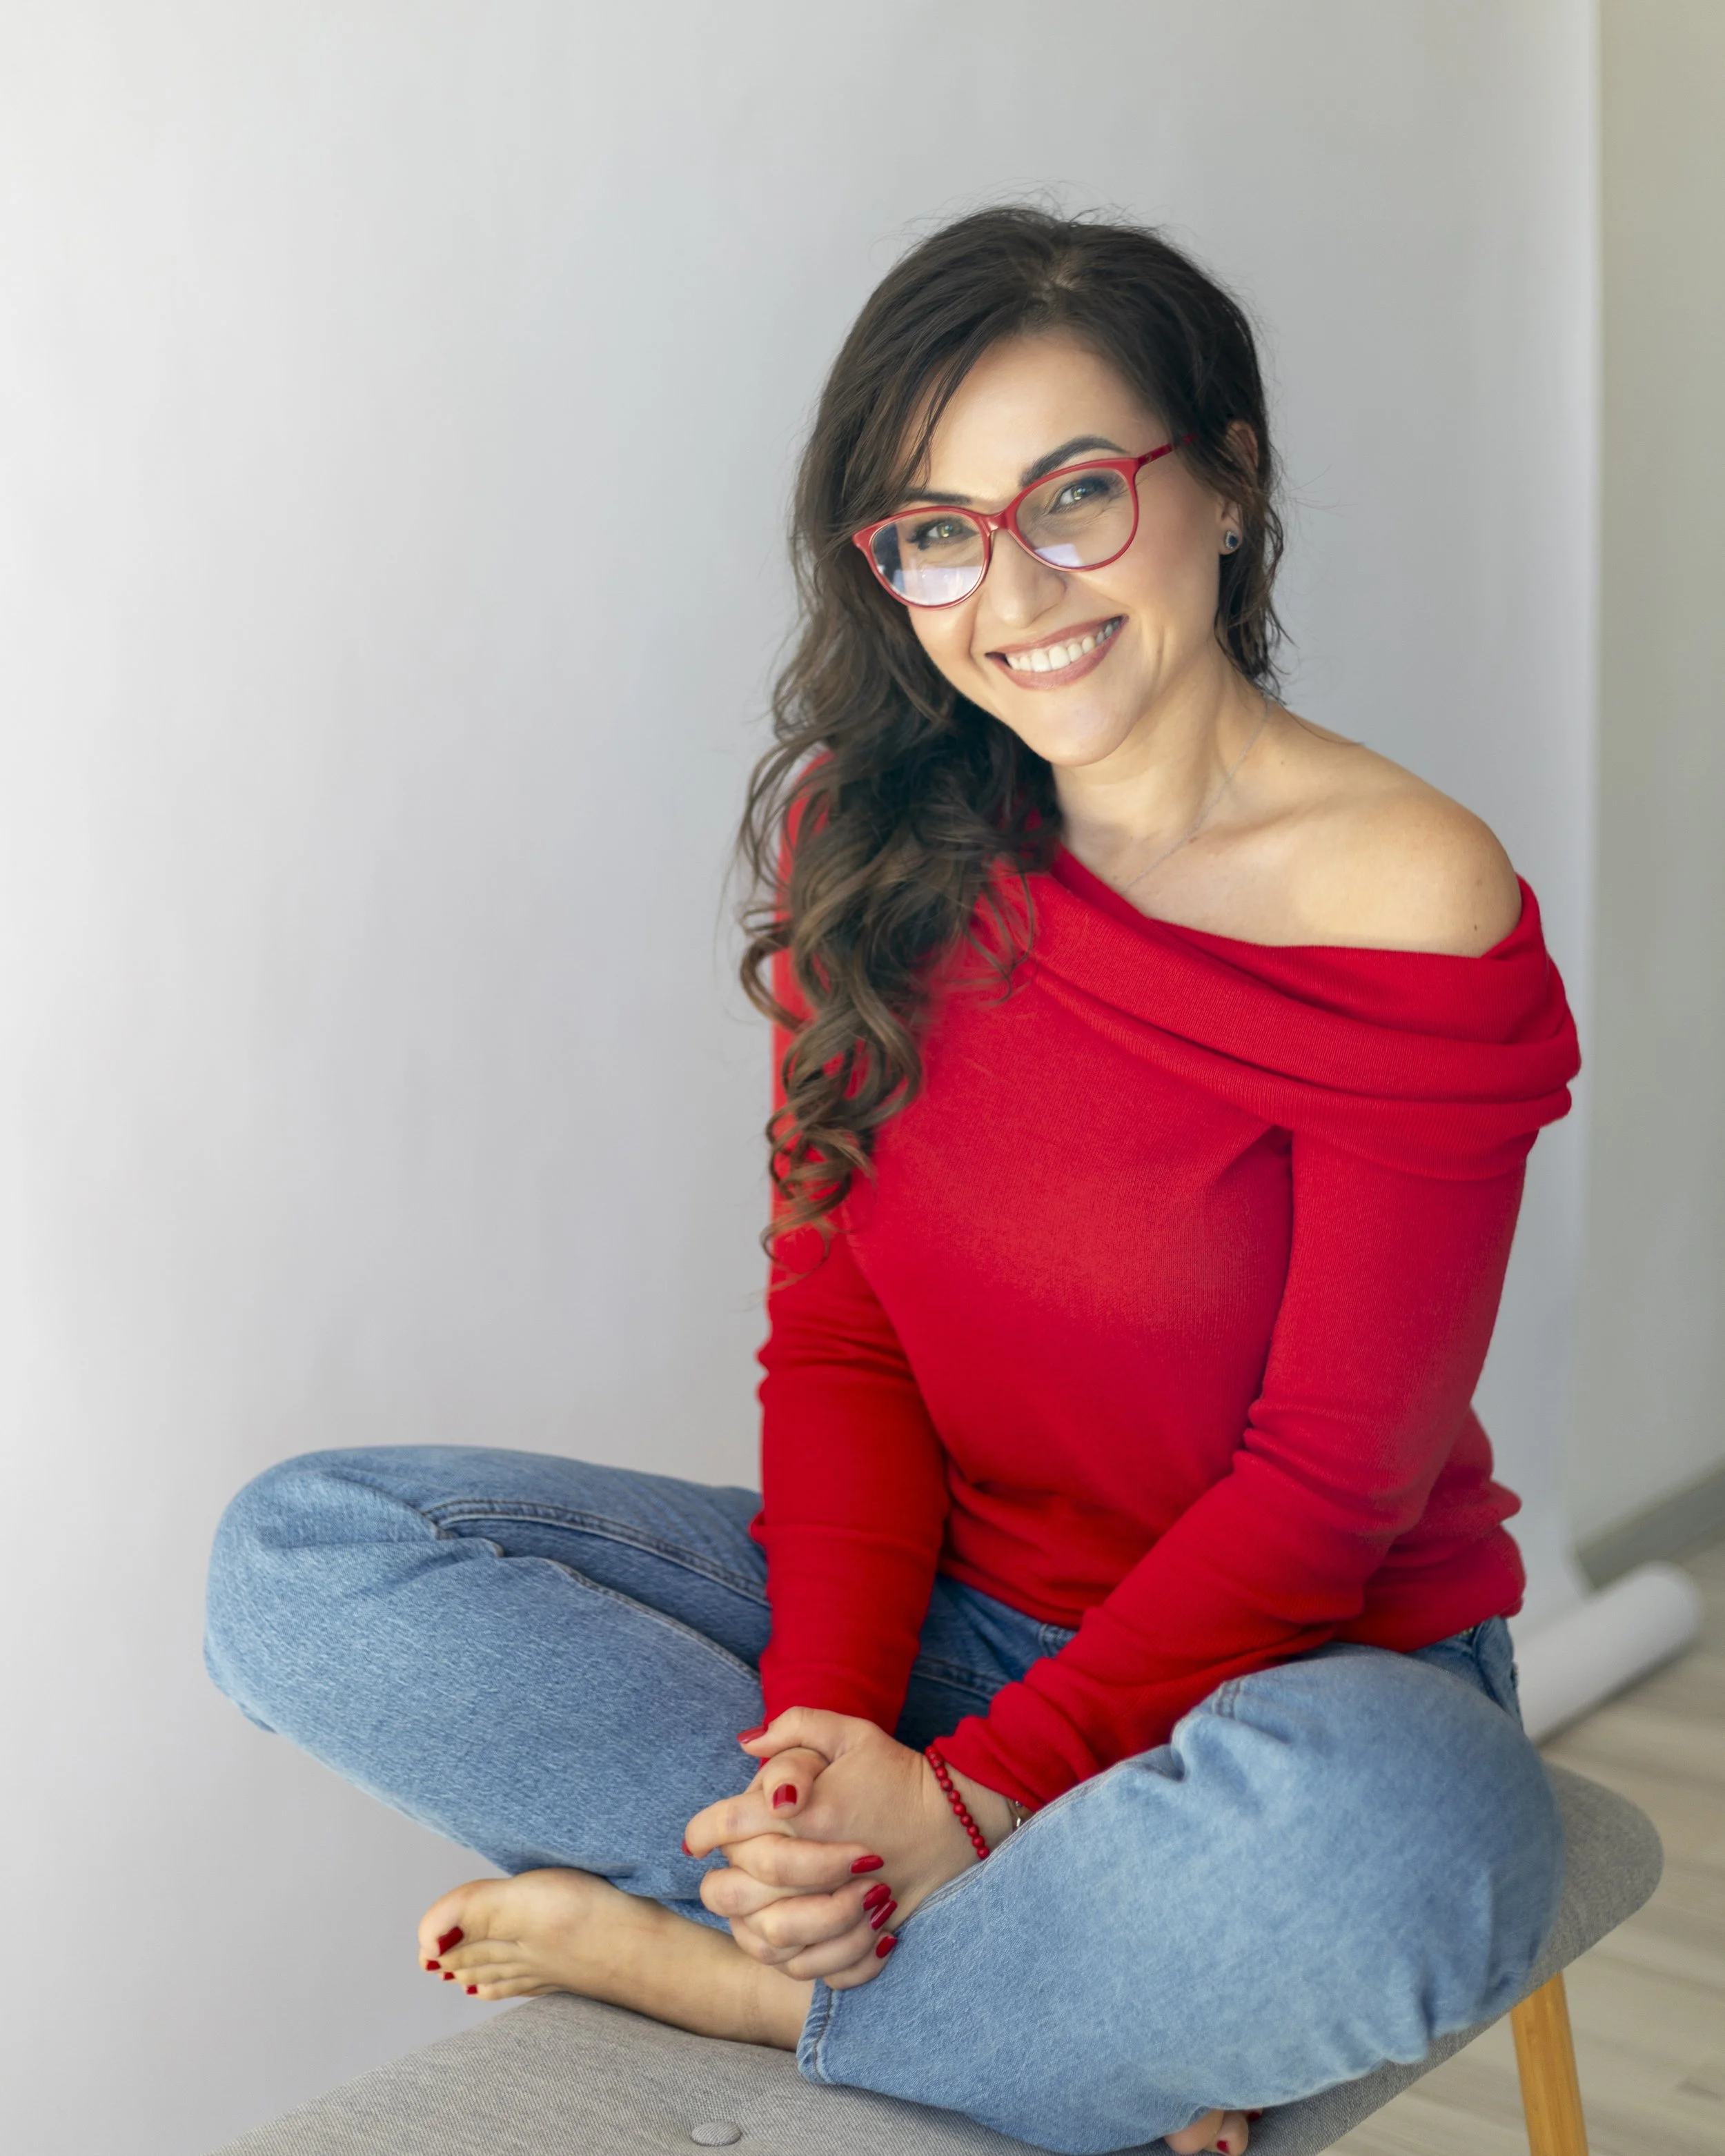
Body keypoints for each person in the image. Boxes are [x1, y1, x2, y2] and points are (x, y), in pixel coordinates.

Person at [204, 205, 1579, 2156]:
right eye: (934, 530)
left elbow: (1330, 1491)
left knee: (1423, 1848)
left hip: (1303, 1672)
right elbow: (841, 1335)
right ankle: (1060, 2004)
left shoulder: (1409, 895)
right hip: (949, 1622)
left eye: (1074, 494)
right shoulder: (880, 836)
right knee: (302, 1560)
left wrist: (975, 1796)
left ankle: (766, 1985)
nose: (1008, 585)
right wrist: (827, 1747)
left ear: (1230, 485)